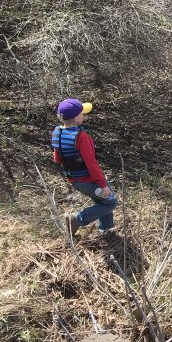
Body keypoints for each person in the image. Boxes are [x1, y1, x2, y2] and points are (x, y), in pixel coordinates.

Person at [51, 98, 117, 239]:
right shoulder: (81, 137)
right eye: (82, 113)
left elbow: (57, 159)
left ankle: (106, 230)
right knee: (111, 202)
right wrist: (102, 185)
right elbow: (92, 164)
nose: (84, 115)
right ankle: (76, 219)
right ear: (76, 118)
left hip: (74, 179)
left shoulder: (57, 132)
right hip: (88, 179)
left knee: (101, 202)